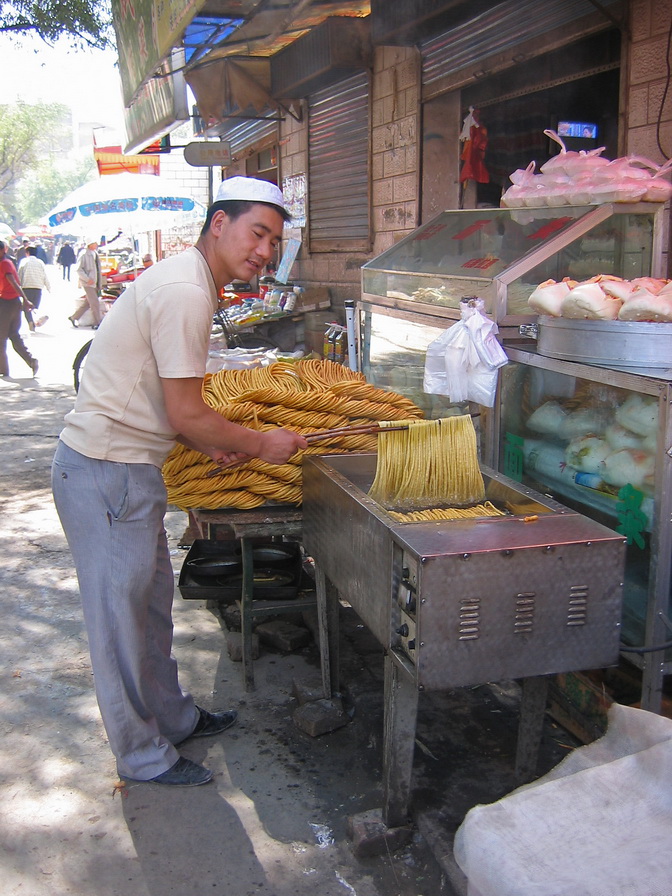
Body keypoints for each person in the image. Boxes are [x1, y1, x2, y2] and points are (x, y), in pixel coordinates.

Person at [51, 177, 307, 787]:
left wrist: (210, 442)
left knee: (150, 612)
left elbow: (174, 410)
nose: (265, 251)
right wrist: (260, 444)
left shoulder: (190, 281)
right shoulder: (185, 290)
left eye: (274, 239)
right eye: (257, 233)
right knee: (120, 622)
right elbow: (188, 411)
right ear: (219, 223)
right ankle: (141, 755)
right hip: (106, 473)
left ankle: (174, 716)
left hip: (129, 472)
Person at [0, 240, 38, 377]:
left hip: (6, 303)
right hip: (14, 302)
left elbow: (13, 282)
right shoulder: (7, 262)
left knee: (1, 338)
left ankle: (4, 370)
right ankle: (31, 361)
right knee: (14, 336)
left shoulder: (4, 263)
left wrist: (26, 300)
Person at [69, 237, 103, 328]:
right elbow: (79, 269)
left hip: (95, 282)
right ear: (90, 244)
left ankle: (74, 317)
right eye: (95, 243)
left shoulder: (95, 253)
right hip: (88, 283)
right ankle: (97, 322)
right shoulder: (84, 254)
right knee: (94, 303)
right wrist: (87, 279)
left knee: (88, 302)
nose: (96, 245)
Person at [18, 245, 50, 331]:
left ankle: (31, 322)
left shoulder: (24, 261)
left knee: (26, 307)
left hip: (27, 287)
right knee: (34, 306)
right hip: (38, 287)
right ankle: (37, 320)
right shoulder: (40, 262)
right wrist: (48, 287)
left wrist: (18, 286)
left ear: (27, 253)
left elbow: (20, 274)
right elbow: (45, 276)